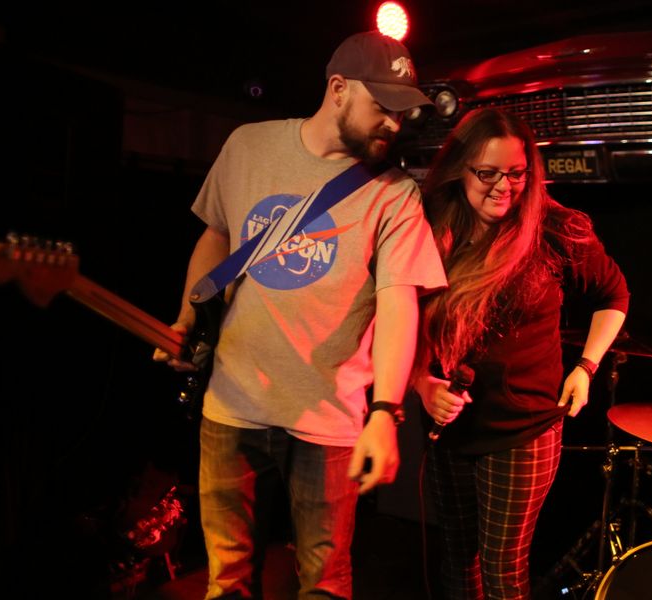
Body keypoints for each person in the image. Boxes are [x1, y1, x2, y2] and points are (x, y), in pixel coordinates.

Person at [154, 31, 447, 599]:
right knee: (227, 580)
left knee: (325, 585)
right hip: (231, 406)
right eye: (382, 107)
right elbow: (216, 237)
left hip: (329, 423)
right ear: (338, 89)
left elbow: (398, 304)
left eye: (401, 111)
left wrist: (385, 411)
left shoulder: (394, 194)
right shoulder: (248, 146)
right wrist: (187, 320)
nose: (394, 123)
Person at [413, 108, 630, 599]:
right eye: (487, 173)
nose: (504, 187)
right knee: (456, 559)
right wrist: (421, 383)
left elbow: (614, 295)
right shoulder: (429, 223)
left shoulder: (554, 228)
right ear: (460, 169)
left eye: (516, 173)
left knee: (503, 572)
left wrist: (586, 367)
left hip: (523, 429)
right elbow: (401, 314)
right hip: (450, 424)